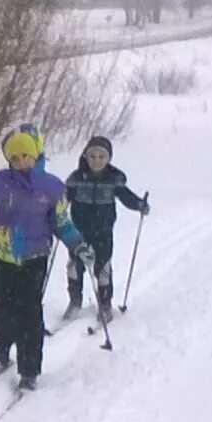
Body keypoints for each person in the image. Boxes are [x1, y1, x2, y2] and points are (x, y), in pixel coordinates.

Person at [0, 129, 94, 391]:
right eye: (14, 158)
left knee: (28, 312)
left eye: (26, 155)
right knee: (1, 305)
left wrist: (79, 245)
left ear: (36, 154)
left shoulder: (52, 187)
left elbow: (62, 223)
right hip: (1, 255)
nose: (21, 162)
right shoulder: (1, 181)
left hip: (33, 258)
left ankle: (29, 369)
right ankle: (3, 349)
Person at [63, 135, 148, 322]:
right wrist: (54, 208)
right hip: (78, 231)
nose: (96, 161)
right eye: (92, 156)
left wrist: (139, 204)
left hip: (103, 230)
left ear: (108, 158)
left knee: (103, 268)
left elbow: (126, 196)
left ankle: (105, 304)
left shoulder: (113, 179)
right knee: (75, 266)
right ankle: (75, 301)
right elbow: (64, 198)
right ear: (86, 156)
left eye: (101, 157)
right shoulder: (76, 178)